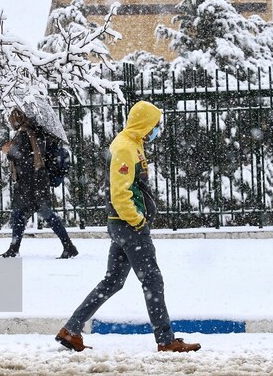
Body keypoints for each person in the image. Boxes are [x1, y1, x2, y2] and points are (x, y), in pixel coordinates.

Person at [55, 101, 201, 353]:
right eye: (155, 124)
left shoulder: (133, 145)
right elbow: (120, 192)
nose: (157, 129)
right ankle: (166, 341)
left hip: (122, 226)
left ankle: (71, 330)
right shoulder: (125, 147)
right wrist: (137, 220)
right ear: (144, 123)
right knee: (152, 281)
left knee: (112, 281)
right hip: (129, 226)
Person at [0, 108, 78, 259]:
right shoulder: (38, 132)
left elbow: (23, 159)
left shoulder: (24, 134)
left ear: (18, 119)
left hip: (28, 182)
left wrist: (7, 151)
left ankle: (14, 248)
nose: (11, 121)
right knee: (31, 215)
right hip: (38, 180)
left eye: (12, 118)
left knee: (23, 215)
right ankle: (68, 246)